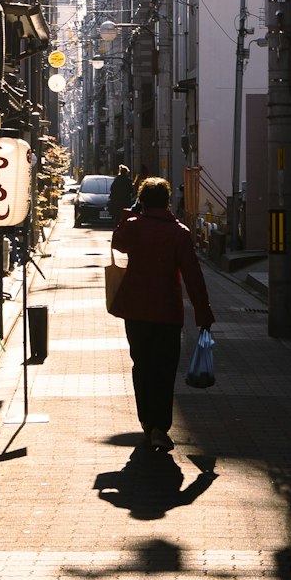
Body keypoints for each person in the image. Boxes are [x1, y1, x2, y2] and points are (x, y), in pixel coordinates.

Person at [107, 174, 213, 451]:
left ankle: (147, 423)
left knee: (142, 366)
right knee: (164, 371)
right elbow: (193, 276)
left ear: (142, 201)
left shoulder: (133, 226)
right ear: (168, 201)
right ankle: (160, 428)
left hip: (137, 310)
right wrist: (203, 313)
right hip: (168, 312)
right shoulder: (180, 233)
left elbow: (117, 242)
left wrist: (129, 214)